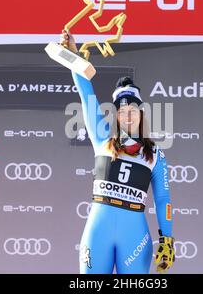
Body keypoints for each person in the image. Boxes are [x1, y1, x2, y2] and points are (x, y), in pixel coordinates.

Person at [61, 30, 175, 274]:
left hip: (134, 236)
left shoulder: (155, 154)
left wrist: (167, 238)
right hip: (98, 231)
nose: (127, 115)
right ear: (117, 115)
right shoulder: (102, 138)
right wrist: (71, 54)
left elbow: (163, 199)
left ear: (141, 112)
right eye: (121, 111)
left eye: (132, 109)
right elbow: (86, 94)